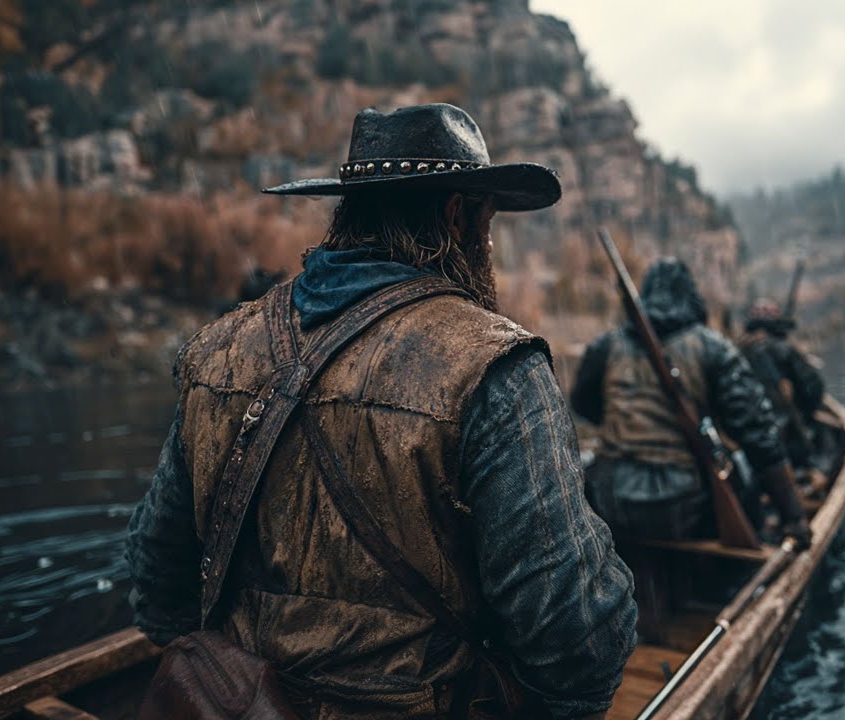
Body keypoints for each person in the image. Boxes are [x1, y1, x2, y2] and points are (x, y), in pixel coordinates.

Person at [126, 104, 636, 720]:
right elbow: (576, 649)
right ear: (458, 217)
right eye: (489, 222)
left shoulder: (215, 351)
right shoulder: (496, 366)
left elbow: (159, 591)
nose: (491, 245)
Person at [569, 257, 810, 547]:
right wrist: (794, 515)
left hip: (613, 502)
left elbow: (584, 406)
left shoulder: (604, 347)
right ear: (690, 296)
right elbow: (757, 434)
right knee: (741, 469)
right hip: (687, 506)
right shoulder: (713, 348)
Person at [737, 298, 827, 473]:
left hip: (750, 438)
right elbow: (813, 391)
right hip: (788, 440)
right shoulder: (785, 349)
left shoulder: (737, 351)